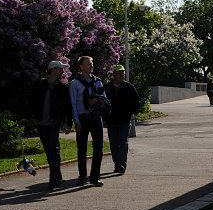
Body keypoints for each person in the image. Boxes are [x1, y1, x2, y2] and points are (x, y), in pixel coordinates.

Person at [23, 60, 73, 189]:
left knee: (53, 149)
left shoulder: (62, 87)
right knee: (49, 150)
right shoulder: (39, 84)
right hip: (41, 122)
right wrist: (26, 117)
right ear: (53, 69)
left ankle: (54, 180)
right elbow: (31, 101)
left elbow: (67, 107)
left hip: (54, 122)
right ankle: (57, 176)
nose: (62, 71)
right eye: (60, 69)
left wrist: (68, 123)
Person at [70, 56, 107, 187]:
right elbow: (73, 103)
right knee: (82, 149)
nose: (91, 66)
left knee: (99, 148)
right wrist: (76, 121)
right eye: (88, 64)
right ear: (81, 66)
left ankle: (95, 177)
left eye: (92, 64)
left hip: (95, 117)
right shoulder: (75, 83)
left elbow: (104, 99)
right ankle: (82, 176)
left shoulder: (97, 81)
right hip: (82, 117)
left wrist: (97, 100)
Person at [103, 64, 140, 174]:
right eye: (119, 74)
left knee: (123, 142)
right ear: (114, 75)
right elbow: (102, 102)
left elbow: (137, 102)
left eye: (122, 74)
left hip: (124, 120)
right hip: (111, 121)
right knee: (113, 143)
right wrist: (105, 115)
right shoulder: (107, 88)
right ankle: (117, 163)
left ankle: (122, 164)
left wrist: (131, 112)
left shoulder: (129, 87)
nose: (121, 76)